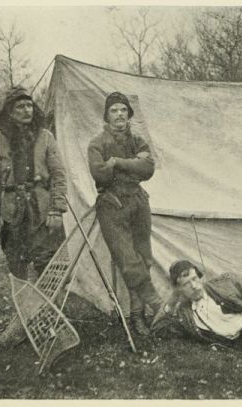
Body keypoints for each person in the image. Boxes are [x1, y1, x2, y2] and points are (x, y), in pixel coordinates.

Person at [87, 92, 162, 336]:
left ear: (129, 114)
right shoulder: (97, 144)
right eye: (114, 110)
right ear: (106, 116)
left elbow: (148, 169)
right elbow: (100, 174)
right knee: (129, 262)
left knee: (144, 259)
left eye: (123, 110)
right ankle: (157, 305)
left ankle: (138, 315)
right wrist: (133, 165)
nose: (119, 114)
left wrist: (118, 163)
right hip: (112, 205)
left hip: (138, 202)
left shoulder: (138, 141)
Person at [0, 86, 67, 281]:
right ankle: (22, 297)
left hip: (42, 209)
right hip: (12, 210)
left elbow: (59, 175)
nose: (27, 110)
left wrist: (57, 210)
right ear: (10, 112)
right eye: (20, 107)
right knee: (15, 260)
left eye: (29, 105)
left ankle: (47, 299)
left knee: (47, 261)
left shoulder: (46, 137)